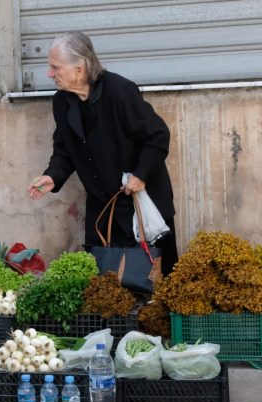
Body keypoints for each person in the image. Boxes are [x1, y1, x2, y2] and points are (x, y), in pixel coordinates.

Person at [28, 31, 178, 276]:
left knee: (154, 280)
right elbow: (64, 150)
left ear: (79, 69)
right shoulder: (62, 102)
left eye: (55, 67)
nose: (49, 74)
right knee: (106, 286)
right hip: (103, 207)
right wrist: (52, 176)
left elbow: (158, 135)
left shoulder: (120, 91)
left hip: (141, 203)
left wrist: (140, 175)